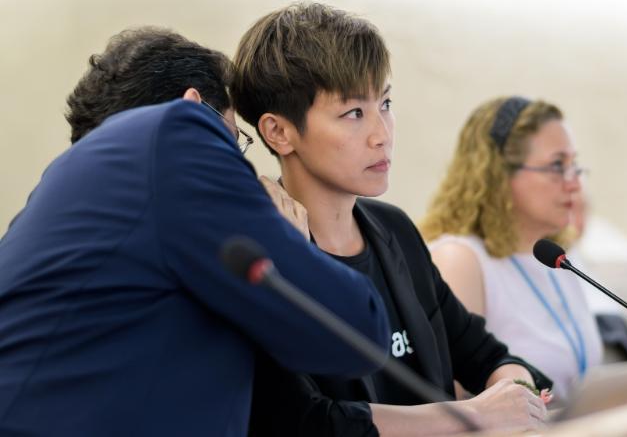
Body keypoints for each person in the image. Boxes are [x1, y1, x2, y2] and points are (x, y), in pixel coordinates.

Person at [0, 27, 390, 436]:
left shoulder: (65, 186)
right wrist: (289, 241)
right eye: (235, 144)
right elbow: (356, 330)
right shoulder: (178, 133)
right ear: (195, 108)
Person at [231, 3, 552, 435]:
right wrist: (472, 416)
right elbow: (305, 422)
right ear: (279, 132)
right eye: (353, 113)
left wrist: (515, 395)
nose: (381, 133)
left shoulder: (394, 230)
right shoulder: (261, 257)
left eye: (385, 103)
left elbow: (487, 356)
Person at [420, 96, 603, 402]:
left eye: (575, 166)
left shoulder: (557, 256)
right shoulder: (460, 259)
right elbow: (448, 401)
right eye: (557, 165)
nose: (574, 184)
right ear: (498, 174)